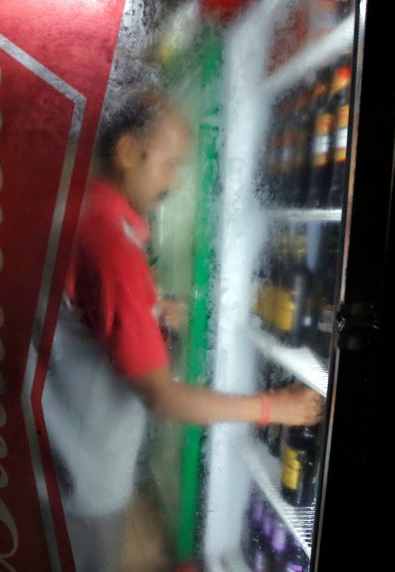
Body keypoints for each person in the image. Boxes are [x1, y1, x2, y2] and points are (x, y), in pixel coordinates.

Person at [42, 91, 324, 571]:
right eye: (169, 164)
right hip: (86, 481)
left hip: (52, 454)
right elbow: (162, 398)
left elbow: (87, 313)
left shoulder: (80, 207)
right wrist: (274, 407)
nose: (173, 182)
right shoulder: (112, 245)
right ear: (129, 151)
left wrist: (145, 315)